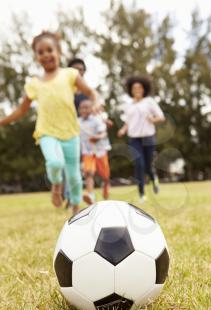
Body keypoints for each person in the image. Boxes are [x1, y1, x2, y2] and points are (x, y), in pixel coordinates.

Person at [0, 31, 102, 215]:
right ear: (36, 57)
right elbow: (20, 111)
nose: (46, 54)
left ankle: (76, 212)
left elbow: (90, 92)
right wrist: (2, 121)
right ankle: (56, 186)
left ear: (59, 52)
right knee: (55, 163)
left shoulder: (70, 74)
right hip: (47, 132)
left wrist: (95, 102)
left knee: (74, 177)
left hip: (71, 133)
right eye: (41, 52)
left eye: (50, 50)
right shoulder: (34, 83)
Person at [117, 75, 165, 202]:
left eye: (139, 87)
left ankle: (153, 178)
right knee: (139, 164)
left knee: (148, 166)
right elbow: (128, 122)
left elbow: (161, 117)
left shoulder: (149, 102)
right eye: (134, 88)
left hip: (148, 137)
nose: (137, 90)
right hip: (134, 138)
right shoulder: (128, 105)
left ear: (144, 89)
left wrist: (152, 119)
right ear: (131, 90)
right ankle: (142, 194)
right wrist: (123, 129)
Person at [79, 98, 111, 204]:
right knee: (88, 172)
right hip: (87, 152)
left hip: (100, 150)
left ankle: (106, 184)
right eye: (82, 108)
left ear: (91, 109)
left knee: (105, 175)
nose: (84, 110)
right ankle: (90, 196)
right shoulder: (77, 122)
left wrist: (97, 137)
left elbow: (104, 133)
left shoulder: (97, 120)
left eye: (86, 108)